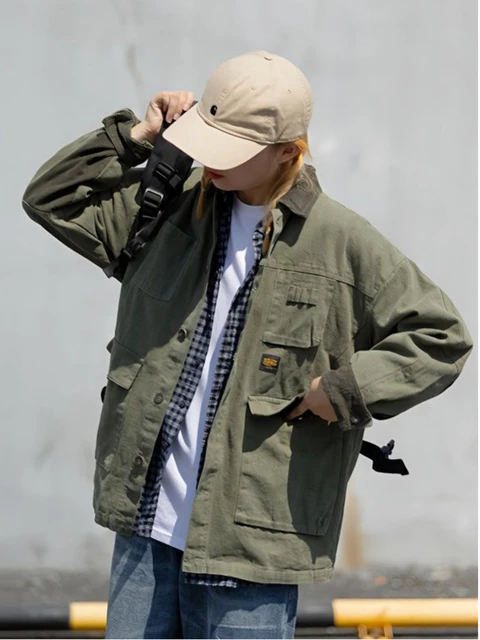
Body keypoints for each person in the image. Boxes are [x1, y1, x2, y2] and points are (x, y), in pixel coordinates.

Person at [22, 51, 473, 639]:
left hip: (251, 543)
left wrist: (342, 391)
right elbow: (50, 198)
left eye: (231, 148)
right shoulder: (164, 207)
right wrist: (136, 138)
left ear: (288, 151)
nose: (211, 159)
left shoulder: (340, 242)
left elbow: (442, 337)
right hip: (146, 523)